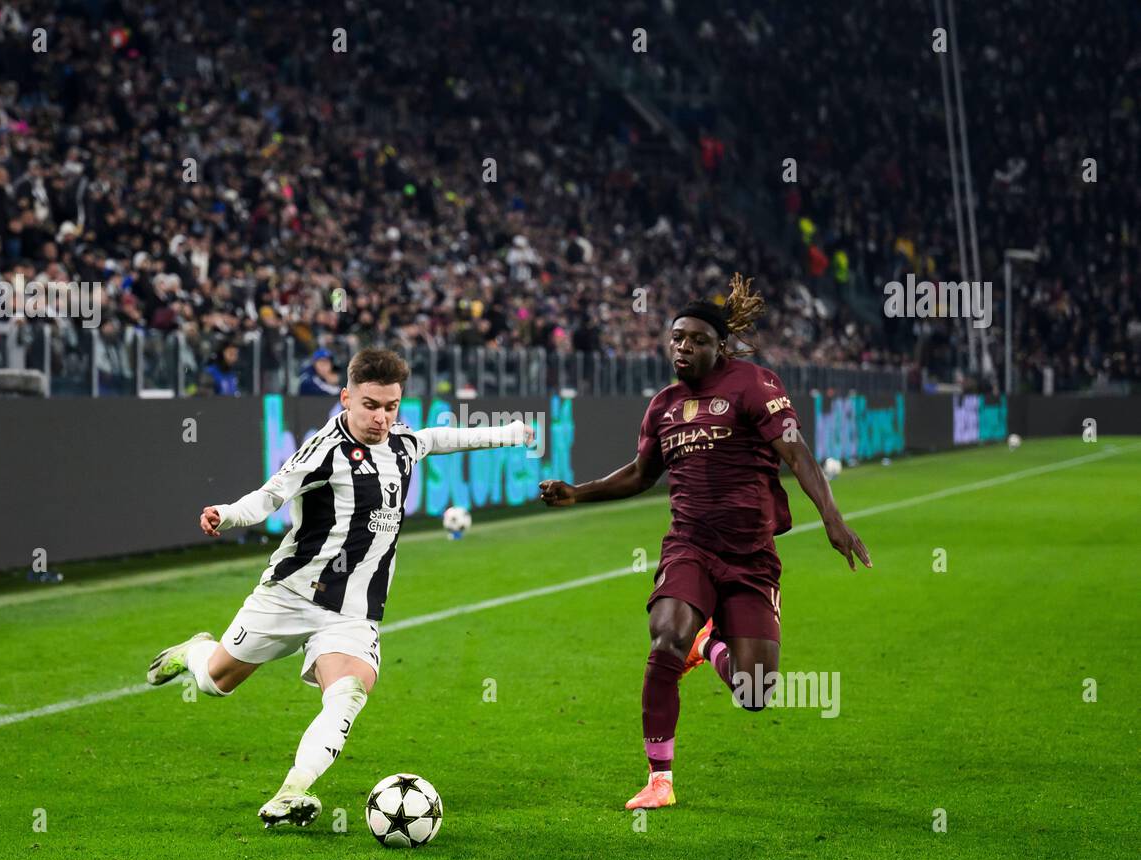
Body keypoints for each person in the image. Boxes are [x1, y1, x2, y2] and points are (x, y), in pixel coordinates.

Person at [146, 347, 534, 827]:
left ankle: (291, 792)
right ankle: (196, 652)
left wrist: (509, 435)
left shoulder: (402, 444)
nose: (381, 417)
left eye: (391, 407)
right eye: (370, 405)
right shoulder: (323, 450)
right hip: (290, 594)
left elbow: (438, 437)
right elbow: (270, 495)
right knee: (215, 682)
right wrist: (227, 515)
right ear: (347, 398)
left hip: (352, 612)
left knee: (348, 692)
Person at [538, 274, 871, 810]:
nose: (683, 348)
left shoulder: (753, 384)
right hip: (689, 546)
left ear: (719, 347)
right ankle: (659, 779)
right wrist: (578, 493)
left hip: (752, 556)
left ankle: (709, 644)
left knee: (755, 693)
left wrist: (832, 518)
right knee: (664, 637)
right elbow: (641, 474)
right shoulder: (663, 405)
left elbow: (798, 453)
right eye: (676, 339)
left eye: (695, 340)